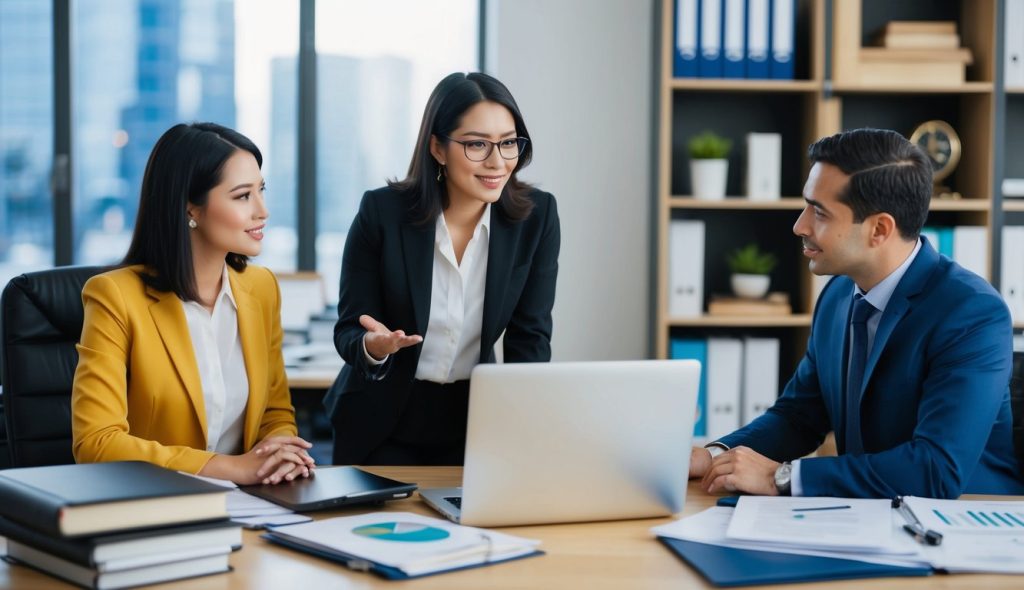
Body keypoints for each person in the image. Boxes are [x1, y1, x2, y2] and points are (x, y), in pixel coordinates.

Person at [689, 128, 1024, 499]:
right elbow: (799, 416)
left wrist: (780, 478)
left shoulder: (972, 314)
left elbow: (935, 470)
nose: (800, 225)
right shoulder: (838, 294)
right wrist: (712, 456)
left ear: (879, 229)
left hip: (966, 524)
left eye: (819, 212)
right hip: (868, 515)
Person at [324, 72, 560, 466]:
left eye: (508, 143)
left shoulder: (536, 218)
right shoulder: (382, 213)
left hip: (476, 423)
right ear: (437, 147)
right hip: (379, 420)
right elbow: (349, 327)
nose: (497, 161)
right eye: (476, 145)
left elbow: (530, 339)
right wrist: (374, 348)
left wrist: (527, 433)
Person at [72, 122, 315, 485]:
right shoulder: (114, 297)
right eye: (242, 196)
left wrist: (279, 451)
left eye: (261, 190)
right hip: (153, 505)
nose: (262, 211)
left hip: (251, 505)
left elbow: (273, 412)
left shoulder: (261, 289)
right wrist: (231, 468)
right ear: (191, 208)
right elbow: (97, 444)